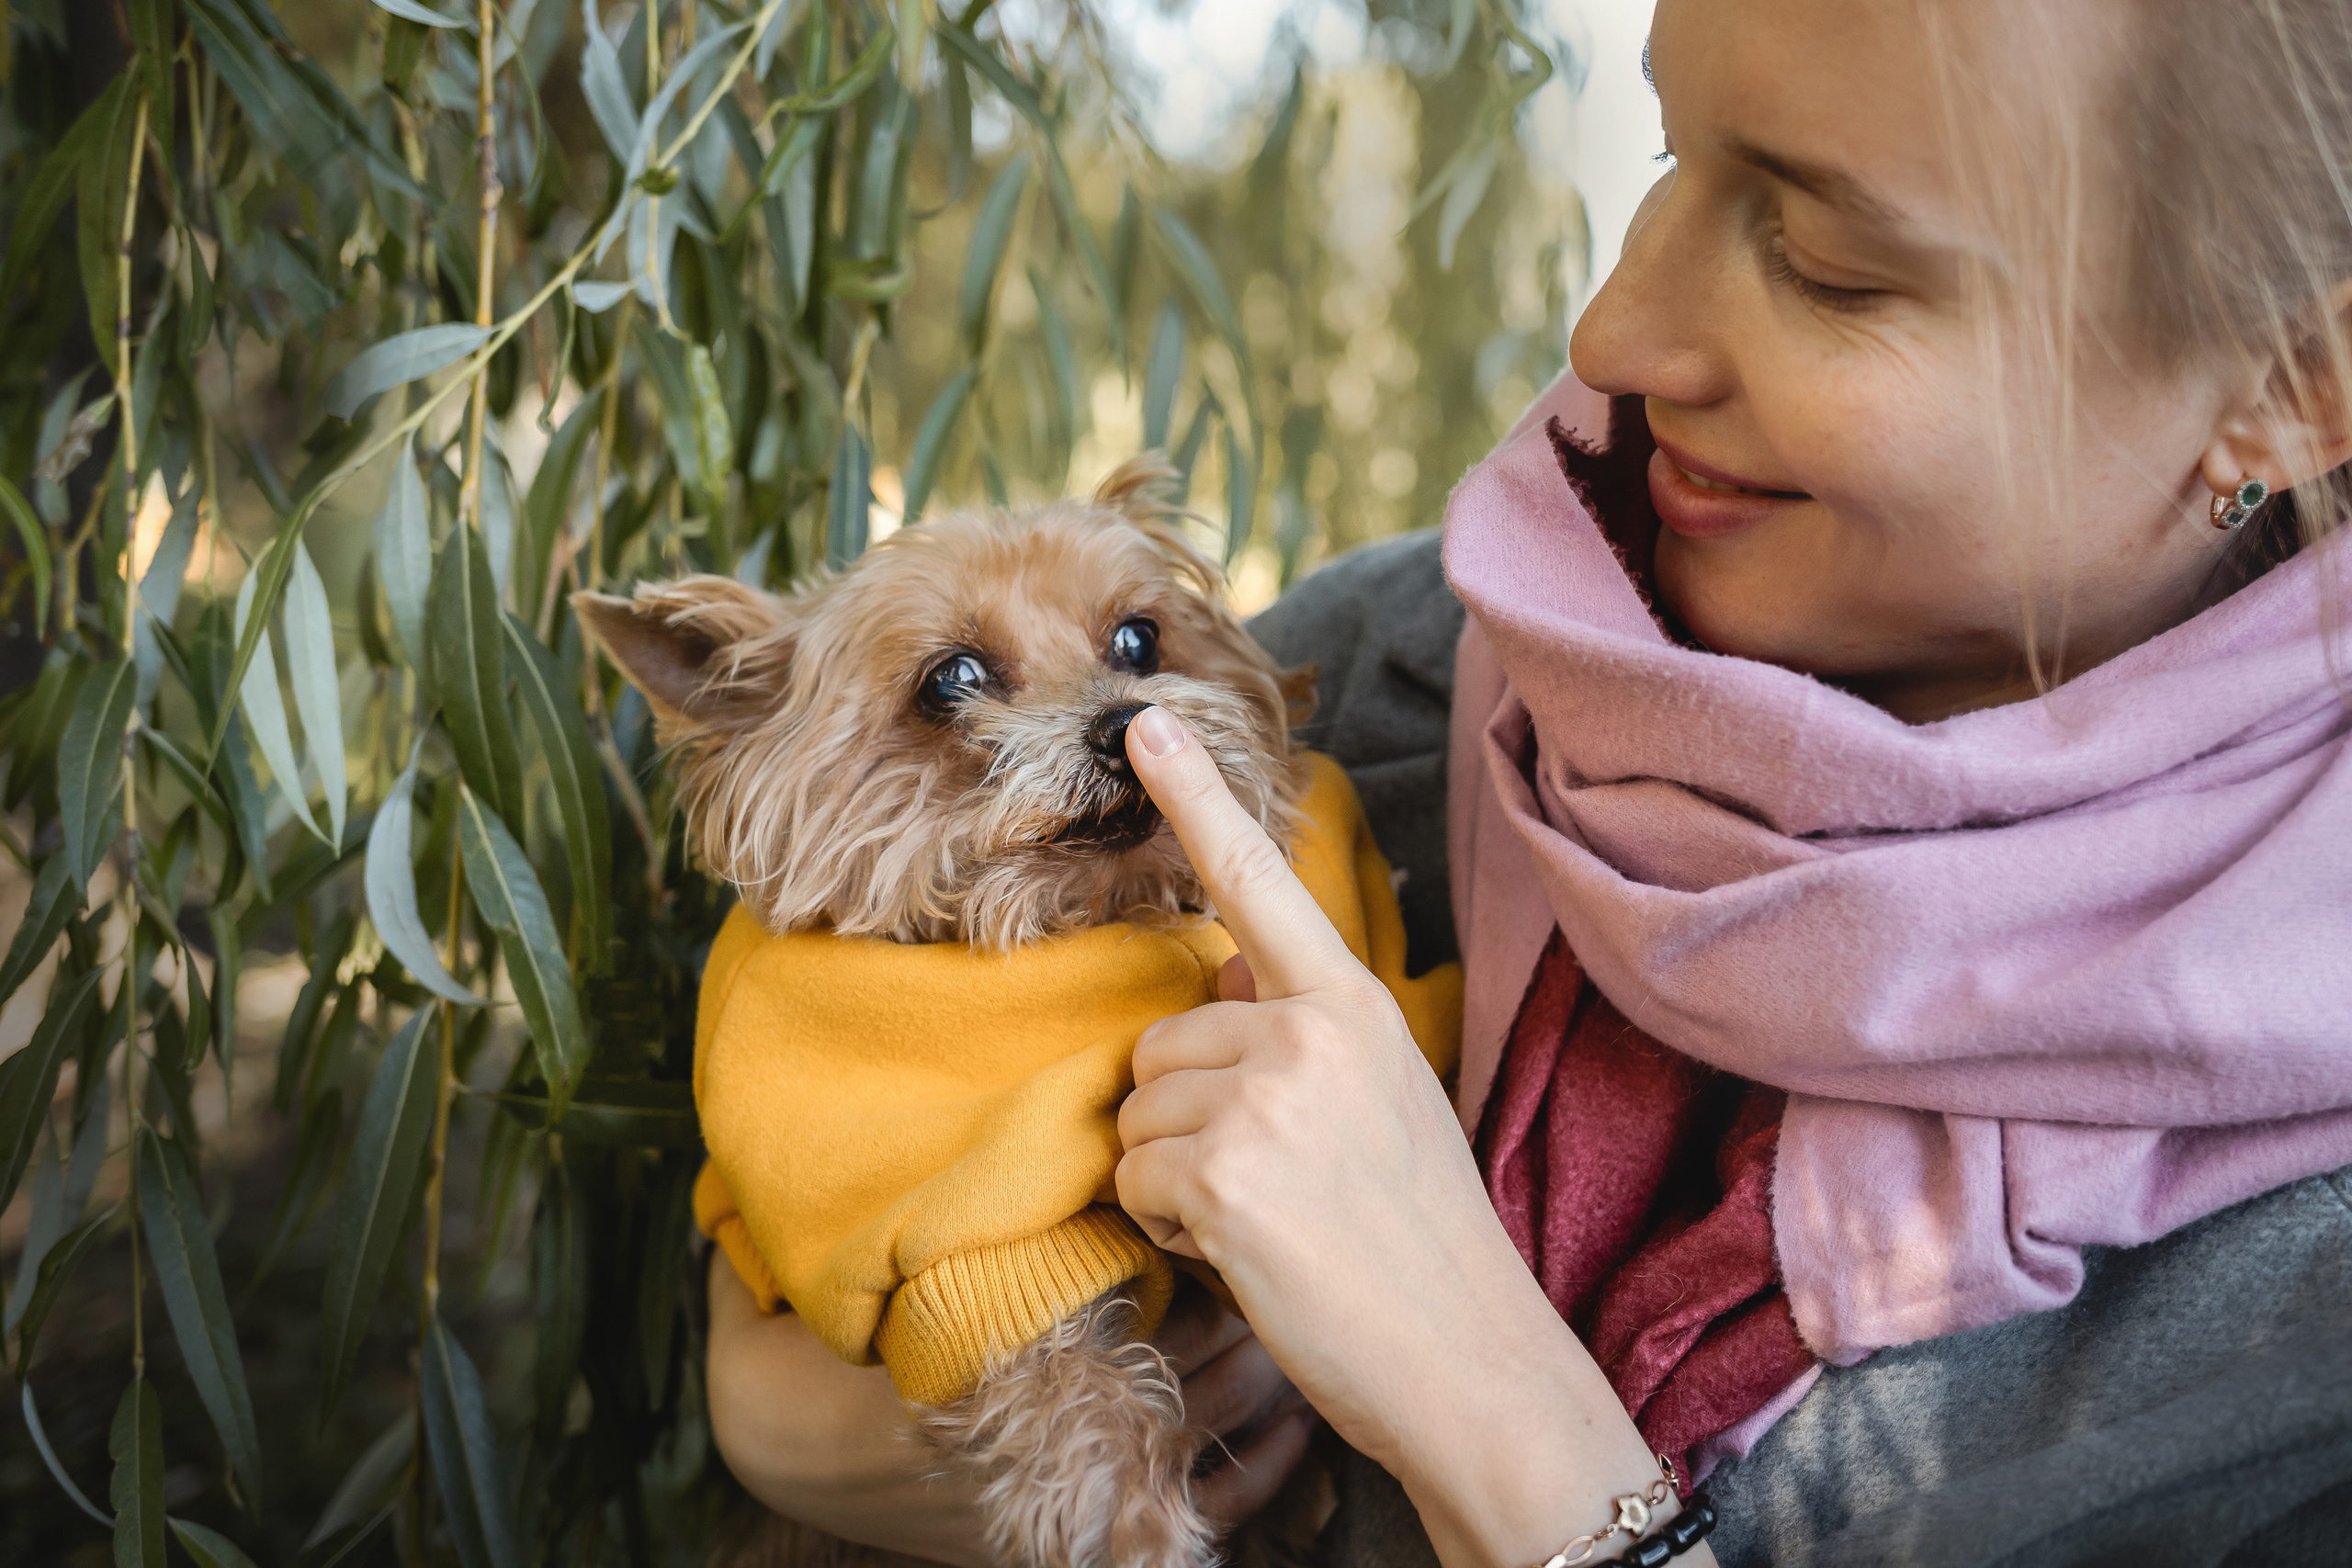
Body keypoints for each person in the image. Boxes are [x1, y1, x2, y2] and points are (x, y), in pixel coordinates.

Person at [707, 1, 2352, 1562]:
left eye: (1834, 263)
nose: (1608, 332)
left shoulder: (2307, 1304)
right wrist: (785, 1418)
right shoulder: (1362, 668)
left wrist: (1492, 1412)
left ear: (2289, 385)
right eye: (1667, 156)